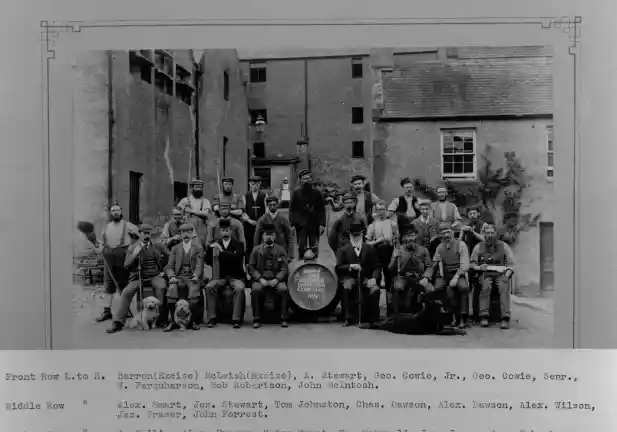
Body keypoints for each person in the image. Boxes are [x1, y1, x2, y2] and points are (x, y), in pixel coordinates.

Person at [106, 224, 171, 333]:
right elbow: (126, 265)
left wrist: (164, 272)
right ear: (139, 234)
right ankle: (118, 322)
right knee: (126, 292)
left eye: (148, 233)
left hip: (154, 276)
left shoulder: (158, 246)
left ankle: (161, 319)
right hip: (138, 277)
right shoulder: (132, 248)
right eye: (144, 233)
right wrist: (135, 253)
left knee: (162, 287)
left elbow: (171, 257)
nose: (146, 235)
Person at [93, 203, 138, 323]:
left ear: (121, 212)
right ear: (110, 213)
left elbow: (138, 239)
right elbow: (102, 243)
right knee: (108, 286)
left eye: (118, 210)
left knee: (123, 286)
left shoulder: (128, 225)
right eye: (113, 211)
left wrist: (132, 247)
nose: (116, 212)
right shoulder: (106, 227)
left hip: (122, 259)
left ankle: (124, 310)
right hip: (108, 259)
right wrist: (99, 248)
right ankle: (107, 311)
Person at [335, 222, 382, 328]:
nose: (356, 237)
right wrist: (350, 266)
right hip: (350, 278)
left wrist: (374, 278)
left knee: (375, 289)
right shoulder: (343, 250)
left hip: (366, 278)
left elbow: (377, 266)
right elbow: (338, 268)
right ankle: (349, 317)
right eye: (353, 235)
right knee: (347, 286)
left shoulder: (370, 249)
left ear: (362, 235)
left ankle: (373, 319)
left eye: (358, 235)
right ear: (350, 236)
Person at [470, 223, 515, 329]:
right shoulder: (478, 247)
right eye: (488, 233)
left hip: (500, 273)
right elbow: (472, 264)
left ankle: (505, 318)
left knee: (504, 286)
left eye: (492, 233)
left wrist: (507, 274)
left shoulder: (504, 246)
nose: (490, 235)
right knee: (485, 287)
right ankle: (484, 316)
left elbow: (511, 263)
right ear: (484, 235)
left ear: (496, 234)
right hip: (485, 273)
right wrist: (479, 268)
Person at [204, 218, 247, 329]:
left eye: (227, 229)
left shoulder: (238, 244)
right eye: (223, 230)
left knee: (240, 288)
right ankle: (212, 317)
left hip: (235, 276)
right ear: (220, 231)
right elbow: (207, 261)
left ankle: (236, 319)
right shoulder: (215, 244)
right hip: (220, 276)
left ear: (231, 230)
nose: (225, 232)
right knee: (209, 287)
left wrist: (221, 253)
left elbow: (237, 258)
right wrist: (210, 249)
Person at [163, 223, 205, 332]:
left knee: (194, 291)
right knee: (172, 289)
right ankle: (173, 320)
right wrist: (172, 276)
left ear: (192, 233)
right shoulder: (175, 248)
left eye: (188, 232)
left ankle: (193, 321)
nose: (185, 234)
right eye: (183, 232)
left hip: (192, 277)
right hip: (179, 277)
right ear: (180, 234)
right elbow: (169, 266)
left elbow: (200, 265)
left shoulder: (198, 247)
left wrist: (196, 275)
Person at [248, 223, 291, 328]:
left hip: (276, 279)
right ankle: (256, 318)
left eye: (271, 234)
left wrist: (277, 279)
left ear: (275, 236)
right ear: (263, 236)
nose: (269, 237)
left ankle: (283, 318)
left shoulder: (281, 250)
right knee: (256, 290)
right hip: (261, 279)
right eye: (267, 234)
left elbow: (285, 269)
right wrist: (259, 278)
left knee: (283, 289)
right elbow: (251, 267)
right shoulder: (256, 250)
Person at [431, 223, 471, 329]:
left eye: (448, 232)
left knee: (463, 288)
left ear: (452, 232)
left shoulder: (461, 245)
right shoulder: (440, 247)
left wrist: (456, 277)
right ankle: (449, 316)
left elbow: (465, 265)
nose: (446, 235)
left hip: (458, 273)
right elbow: (434, 264)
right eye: (443, 233)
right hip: (445, 274)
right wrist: (436, 261)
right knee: (438, 288)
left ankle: (463, 317)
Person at [388, 222, 433, 314]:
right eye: (408, 236)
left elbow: (429, 266)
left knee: (430, 289)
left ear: (416, 236)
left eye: (412, 235)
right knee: (398, 287)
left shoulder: (423, 250)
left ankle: (428, 316)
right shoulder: (398, 250)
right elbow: (390, 268)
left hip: (418, 277)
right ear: (404, 238)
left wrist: (426, 277)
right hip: (402, 277)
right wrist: (394, 258)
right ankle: (397, 315)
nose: (410, 238)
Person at [289, 169, 326, 259]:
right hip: (301, 225)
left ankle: (315, 267)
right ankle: (302, 267)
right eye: (304, 178)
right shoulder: (296, 193)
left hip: (314, 225)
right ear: (301, 180)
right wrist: (293, 224)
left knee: (315, 247)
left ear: (311, 179)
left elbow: (321, 210)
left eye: (308, 178)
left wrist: (322, 224)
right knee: (301, 247)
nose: (307, 180)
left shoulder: (317, 193)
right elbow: (292, 210)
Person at [365, 200, 399, 295]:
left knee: (390, 278)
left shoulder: (392, 224)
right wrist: (377, 241)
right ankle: (376, 303)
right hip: (377, 253)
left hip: (389, 252)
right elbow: (367, 244)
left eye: (383, 209)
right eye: (379, 210)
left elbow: (397, 241)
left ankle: (391, 306)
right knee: (377, 276)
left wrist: (394, 254)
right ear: (376, 211)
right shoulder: (372, 226)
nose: (381, 212)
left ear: (386, 210)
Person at [177, 179, 211, 248]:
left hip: (201, 229)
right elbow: (177, 213)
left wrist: (192, 211)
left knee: (201, 248)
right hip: (188, 228)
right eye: (196, 187)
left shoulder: (205, 201)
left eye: (200, 187)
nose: (198, 189)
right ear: (192, 188)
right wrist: (183, 209)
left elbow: (205, 213)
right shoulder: (185, 200)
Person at [241, 175, 267, 262]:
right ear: (249, 184)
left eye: (256, 184)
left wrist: (260, 221)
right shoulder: (245, 196)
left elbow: (266, 211)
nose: (254, 186)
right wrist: (249, 220)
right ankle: (249, 264)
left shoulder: (264, 195)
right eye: (252, 184)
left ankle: (260, 264)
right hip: (248, 225)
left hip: (261, 224)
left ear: (260, 184)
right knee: (249, 245)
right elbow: (243, 211)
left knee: (260, 244)